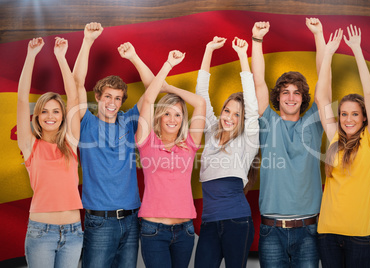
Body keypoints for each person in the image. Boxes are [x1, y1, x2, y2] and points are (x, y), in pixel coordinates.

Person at [251, 18, 326, 267]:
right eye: (285, 92)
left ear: (303, 98)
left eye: (297, 92)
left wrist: (318, 34)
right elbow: (258, 81)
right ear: (278, 97)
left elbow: (324, 86)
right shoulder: (268, 121)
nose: (291, 97)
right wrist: (257, 40)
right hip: (271, 231)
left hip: (309, 230)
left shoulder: (314, 122)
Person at [73, 22, 146, 267]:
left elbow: (152, 88)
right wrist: (87, 41)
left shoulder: (129, 122)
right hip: (99, 222)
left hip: (131, 220)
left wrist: (134, 57)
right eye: (107, 96)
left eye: (117, 98)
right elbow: (77, 81)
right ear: (98, 97)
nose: (112, 102)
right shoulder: (86, 123)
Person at [315, 25, 370, 268]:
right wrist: (328, 56)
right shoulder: (335, 137)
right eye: (343, 114)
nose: (348, 119)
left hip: (361, 237)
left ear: (364, 117)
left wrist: (356, 49)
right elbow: (321, 98)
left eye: (355, 114)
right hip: (328, 235)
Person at [135, 50, 206, 268]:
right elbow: (148, 100)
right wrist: (168, 64)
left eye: (178, 114)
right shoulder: (147, 143)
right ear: (159, 116)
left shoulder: (189, 145)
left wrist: (168, 88)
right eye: (167, 113)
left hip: (185, 230)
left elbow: (200, 104)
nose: (173, 119)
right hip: (153, 230)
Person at [193, 36, 259, 268]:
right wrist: (209, 49)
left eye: (237, 115)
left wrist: (243, 56)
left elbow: (252, 104)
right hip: (209, 224)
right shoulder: (211, 132)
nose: (230, 117)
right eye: (227, 111)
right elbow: (201, 92)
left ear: (243, 120)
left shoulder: (247, 141)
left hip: (237, 222)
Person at [17, 37, 83, 267]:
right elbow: (22, 99)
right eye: (44, 111)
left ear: (63, 116)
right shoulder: (29, 145)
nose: (50, 116)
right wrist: (31, 55)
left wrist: (61, 57)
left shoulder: (71, 143)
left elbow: (73, 98)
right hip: (40, 233)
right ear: (37, 116)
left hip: (74, 233)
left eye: (56, 111)